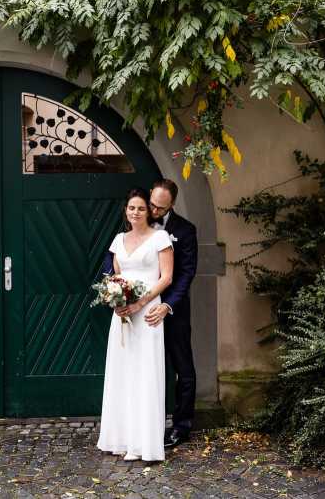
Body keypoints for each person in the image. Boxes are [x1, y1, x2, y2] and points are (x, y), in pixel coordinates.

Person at [102, 179, 198, 448]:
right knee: (137, 367)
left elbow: (185, 274)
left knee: (183, 367)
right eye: (151, 205)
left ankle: (181, 426)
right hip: (136, 310)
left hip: (171, 308)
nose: (153, 211)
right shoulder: (132, 227)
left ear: (171, 206)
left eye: (159, 208)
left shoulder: (184, 231)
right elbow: (113, 263)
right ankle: (134, 427)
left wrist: (167, 305)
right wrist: (113, 289)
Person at [96, 187, 174, 461]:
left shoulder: (160, 238)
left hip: (149, 313)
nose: (136, 212)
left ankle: (145, 443)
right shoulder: (119, 239)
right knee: (123, 373)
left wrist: (141, 303)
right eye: (132, 208)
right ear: (125, 211)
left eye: (141, 208)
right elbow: (116, 275)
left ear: (148, 211)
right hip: (124, 315)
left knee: (145, 373)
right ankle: (121, 438)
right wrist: (116, 299)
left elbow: (166, 278)